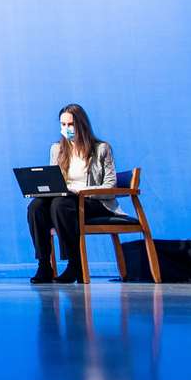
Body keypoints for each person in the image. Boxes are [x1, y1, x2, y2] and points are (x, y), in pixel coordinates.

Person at [27, 104, 126, 284]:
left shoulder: (101, 149)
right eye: (62, 125)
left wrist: (79, 191)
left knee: (60, 204)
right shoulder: (57, 149)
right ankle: (44, 265)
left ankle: (74, 263)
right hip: (65, 202)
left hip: (93, 202)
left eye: (70, 124)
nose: (66, 129)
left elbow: (110, 185)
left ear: (81, 125)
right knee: (36, 206)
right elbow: (53, 180)